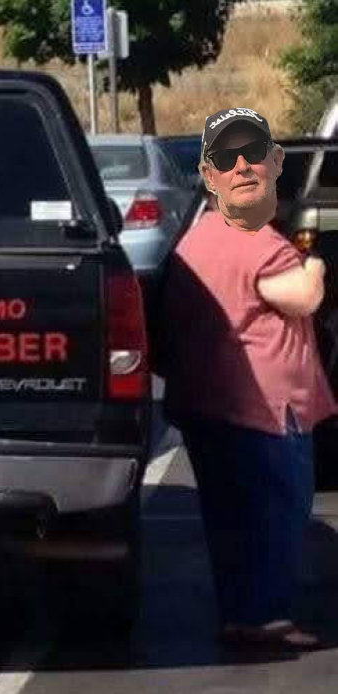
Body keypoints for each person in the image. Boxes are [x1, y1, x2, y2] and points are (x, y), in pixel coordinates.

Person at [155, 107, 338, 650]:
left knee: (228, 517)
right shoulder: (259, 242)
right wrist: (316, 265)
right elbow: (303, 298)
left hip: (204, 403)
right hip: (265, 408)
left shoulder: (196, 239)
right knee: (277, 512)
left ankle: (241, 611)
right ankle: (264, 615)